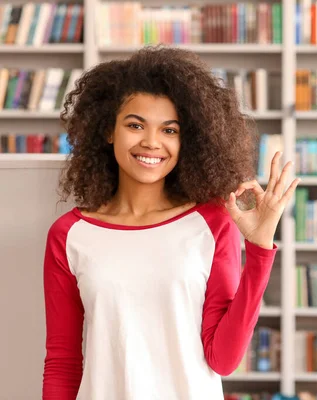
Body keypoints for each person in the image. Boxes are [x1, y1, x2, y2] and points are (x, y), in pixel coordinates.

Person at [42, 46, 299, 399]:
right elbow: (63, 362)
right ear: (108, 130)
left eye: (170, 130)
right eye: (135, 125)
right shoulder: (70, 236)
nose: (151, 142)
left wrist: (259, 249)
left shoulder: (211, 223)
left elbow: (223, 360)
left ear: (186, 140)